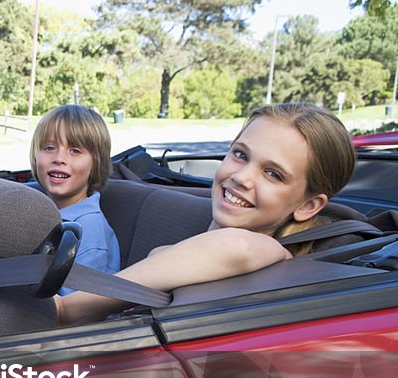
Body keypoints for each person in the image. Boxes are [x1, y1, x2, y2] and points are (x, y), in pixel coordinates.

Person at [56, 102, 356, 325]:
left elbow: (238, 247)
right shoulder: (191, 253)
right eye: (240, 154)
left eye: (273, 174)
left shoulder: (270, 252)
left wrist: (69, 308)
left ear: (308, 206)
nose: (242, 177)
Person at [30, 104, 120, 294]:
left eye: (75, 151)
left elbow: (75, 309)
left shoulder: (90, 232)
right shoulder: (37, 212)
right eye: (49, 147)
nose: (59, 158)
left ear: (97, 163)